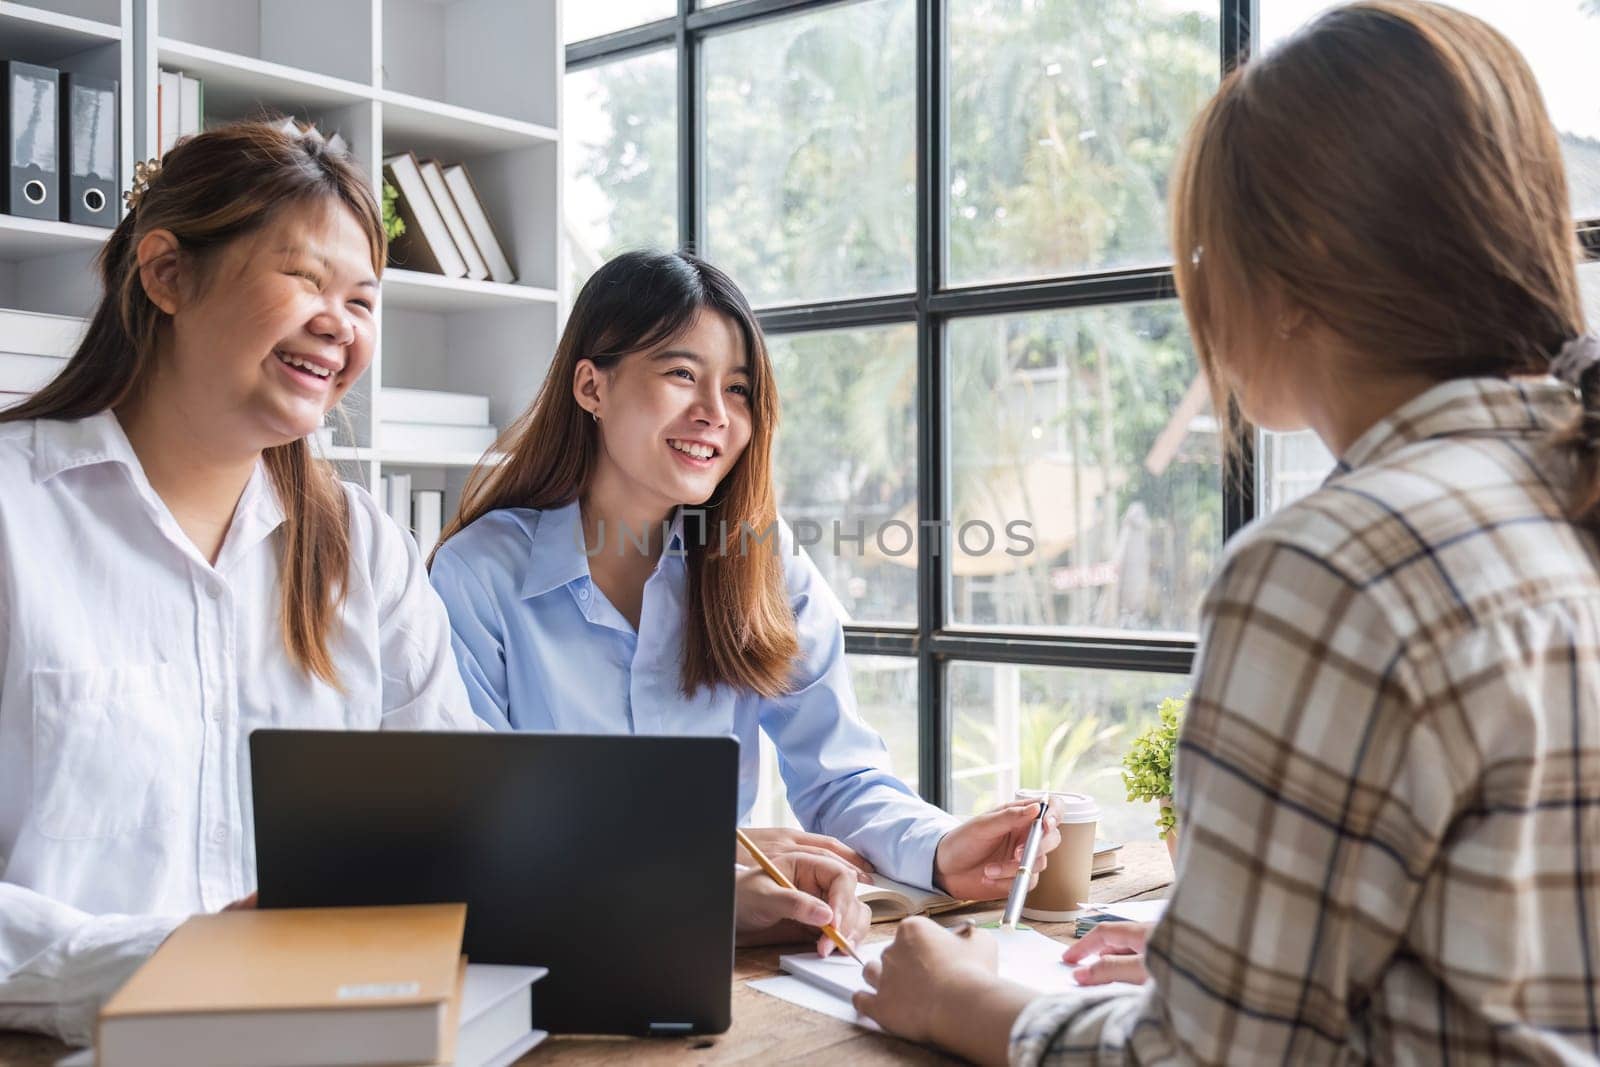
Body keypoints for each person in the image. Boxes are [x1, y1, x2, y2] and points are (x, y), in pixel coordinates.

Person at [852, 2, 1600, 1063]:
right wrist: (1216, 947)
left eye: (1204, 251)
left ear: (1293, 268)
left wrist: (958, 997)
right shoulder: (1559, 494)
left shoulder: (1332, 570)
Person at [0, 125, 859, 1045]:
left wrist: (703, 892)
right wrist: (182, 958)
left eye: (364, 299)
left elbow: (472, 842)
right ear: (167, 274)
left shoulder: (363, 551)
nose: (340, 322)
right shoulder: (18, 516)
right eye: (306, 280)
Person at [429, 249, 1060, 899]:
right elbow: (485, 826)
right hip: (545, 949)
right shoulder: (479, 578)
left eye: (738, 388)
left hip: (729, 951)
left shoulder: (762, 560)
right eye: (681, 373)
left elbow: (839, 775)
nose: (716, 413)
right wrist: (701, 853)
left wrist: (940, 848)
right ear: (592, 386)